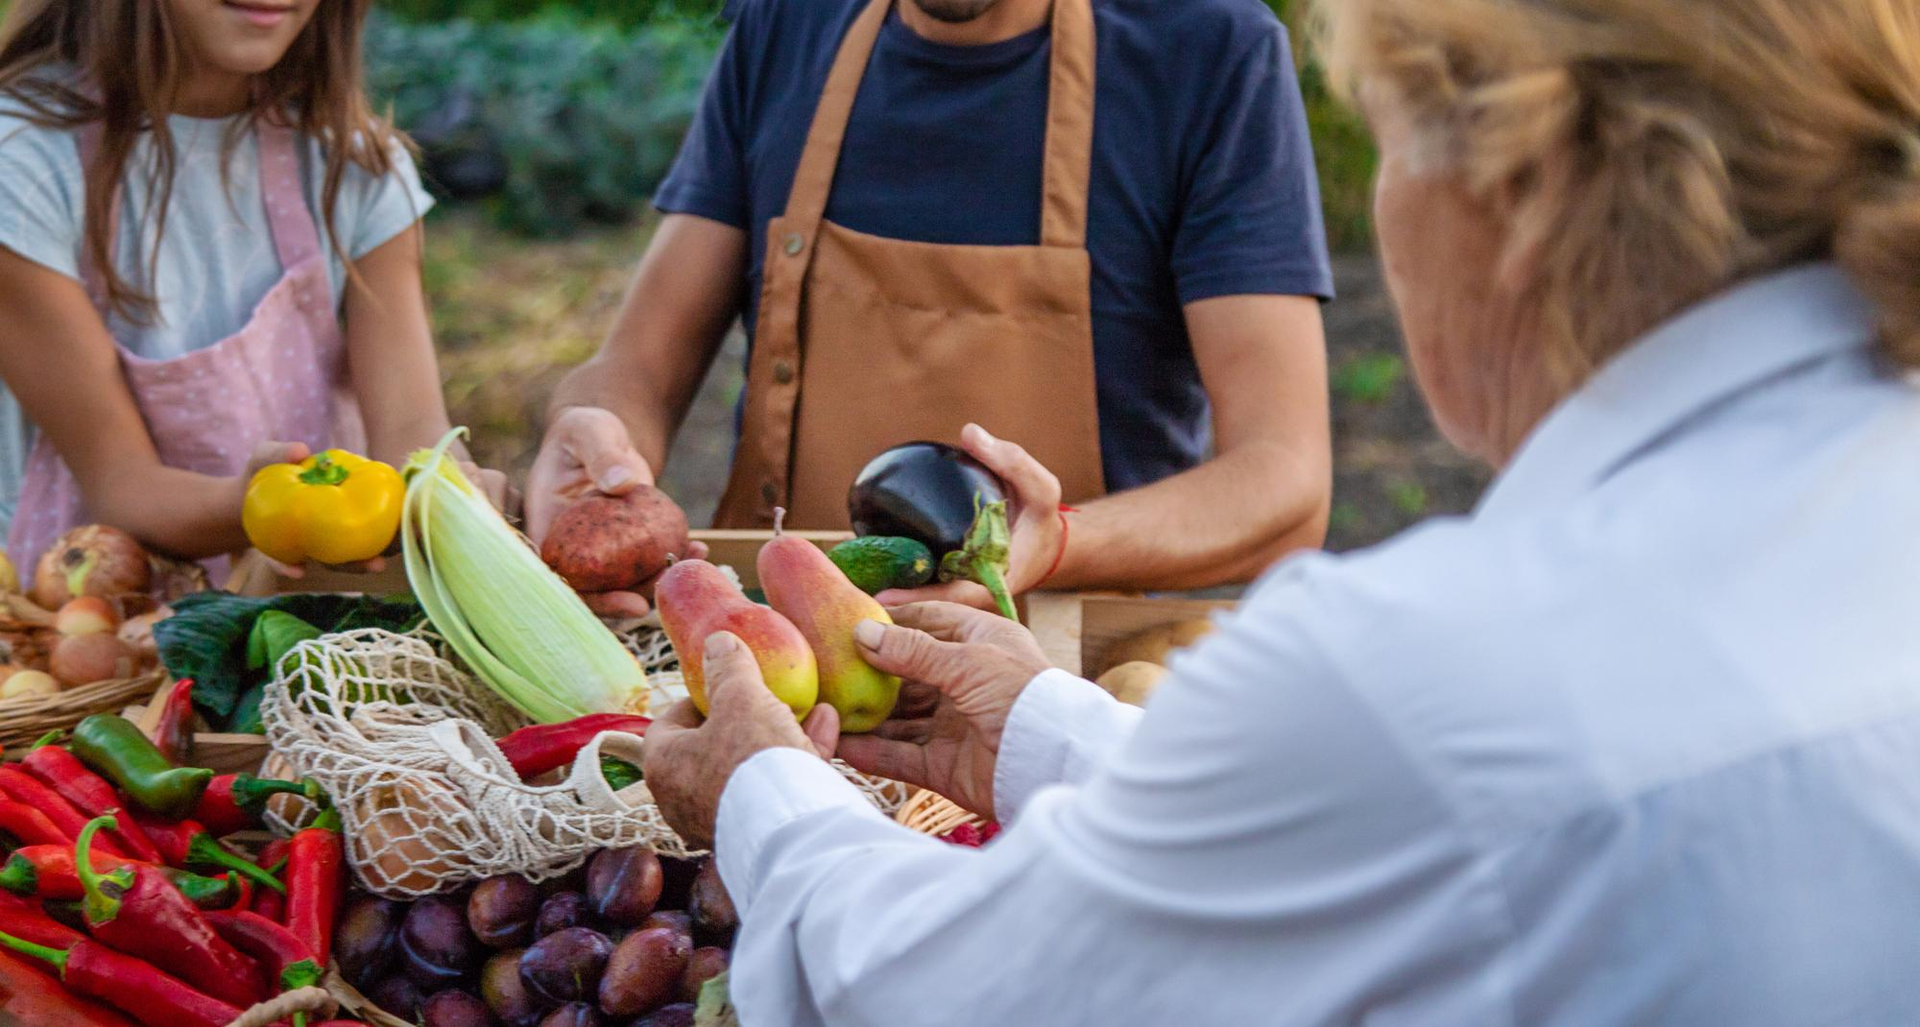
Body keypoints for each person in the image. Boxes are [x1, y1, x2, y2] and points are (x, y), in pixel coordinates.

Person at [640, 0, 1920, 1022]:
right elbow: (1387, 827)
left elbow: (945, 987)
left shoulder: (1415, 676)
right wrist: (1050, 729)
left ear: (1516, 191)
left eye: (1390, 141)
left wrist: (760, 791)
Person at [525, 0, 1335, 617]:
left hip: (1063, 696)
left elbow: (1283, 484)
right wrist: (597, 443)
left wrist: (1054, 547)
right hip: (783, 682)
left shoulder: (1210, 51)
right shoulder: (789, 24)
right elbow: (637, 365)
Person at [0, 0, 500, 584]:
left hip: (301, 608)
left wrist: (452, 492)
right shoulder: (26, 167)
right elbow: (121, 485)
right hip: (94, 614)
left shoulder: (355, 165)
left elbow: (413, 434)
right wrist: (265, 503)